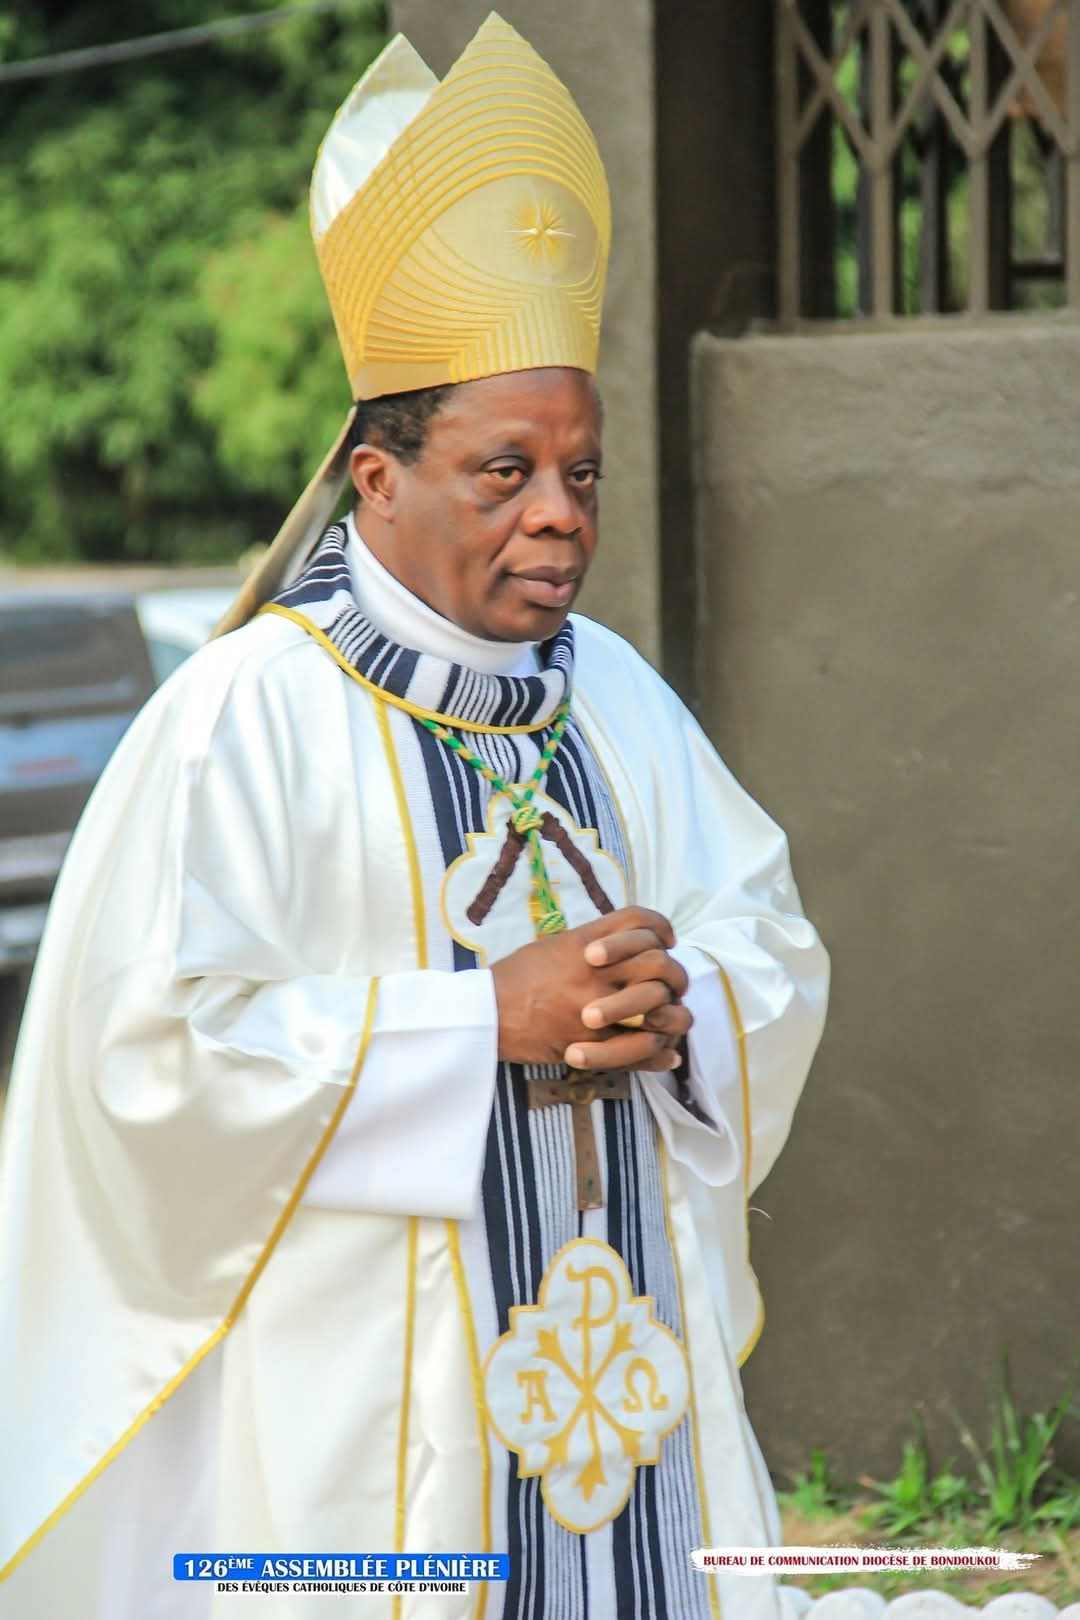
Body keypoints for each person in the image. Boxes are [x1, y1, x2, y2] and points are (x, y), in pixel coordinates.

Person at [0, 15, 829, 1620]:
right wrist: (479, 1023)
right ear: (377, 480)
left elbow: (770, 942)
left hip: (621, 1368)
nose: (559, 519)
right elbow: (149, 1064)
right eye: (505, 472)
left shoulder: (615, 697)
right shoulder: (246, 716)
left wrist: (688, 1010)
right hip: (368, 1423)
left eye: (582, 474)